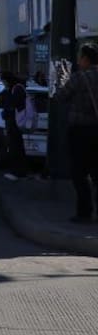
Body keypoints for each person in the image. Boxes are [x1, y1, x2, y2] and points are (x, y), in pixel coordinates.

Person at [56, 44, 98, 222]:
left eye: (80, 58)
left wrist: (62, 77)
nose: (79, 61)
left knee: (79, 172)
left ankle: (84, 212)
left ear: (86, 60)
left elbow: (60, 96)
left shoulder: (79, 78)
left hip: (80, 131)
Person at [0, 71, 28, 180]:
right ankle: (19, 171)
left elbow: (12, 104)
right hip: (13, 121)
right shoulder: (13, 89)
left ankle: (18, 171)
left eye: (4, 81)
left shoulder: (16, 89)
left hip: (14, 122)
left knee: (16, 147)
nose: (3, 83)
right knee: (16, 146)